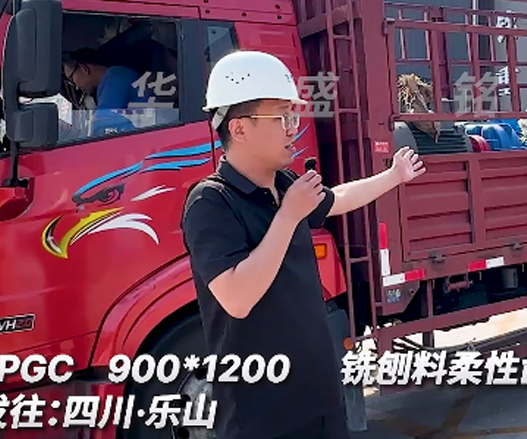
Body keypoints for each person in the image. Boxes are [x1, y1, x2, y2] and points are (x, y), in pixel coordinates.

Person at [181, 50, 426, 439]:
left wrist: (394, 176)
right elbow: (237, 298)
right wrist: (287, 216)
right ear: (239, 128)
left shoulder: (284, 185)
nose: (292, 129)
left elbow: (338, 198)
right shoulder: (211, 201)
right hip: (260, 418)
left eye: (293, 117)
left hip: (320, 400)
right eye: (281, 118)